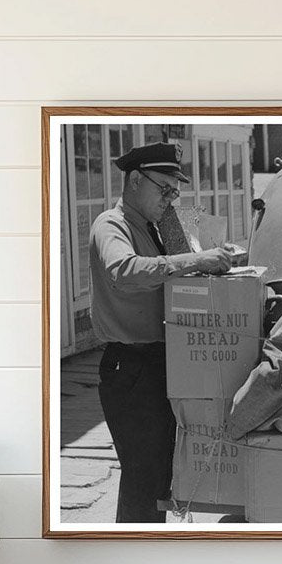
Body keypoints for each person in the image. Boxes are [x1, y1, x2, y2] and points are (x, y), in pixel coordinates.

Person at [89, 141, 233, 523]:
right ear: (135, 180)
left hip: (159, 362)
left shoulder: (154, 226)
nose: (170, 199)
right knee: (143, 478)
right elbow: (124, 270)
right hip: (130, 367)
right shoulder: (112, 224)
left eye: (174, 192)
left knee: (159, 476)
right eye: (164, 189)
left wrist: (204, 252)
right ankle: (133, 549)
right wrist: (194, 259)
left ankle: (148, 544)